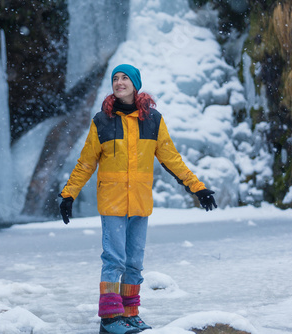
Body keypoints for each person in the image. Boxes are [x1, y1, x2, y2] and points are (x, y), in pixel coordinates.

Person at [59, 64, 217, 334]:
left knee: (134, 263)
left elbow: (171, 159)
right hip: (112, 202)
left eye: (125, 78)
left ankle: (130, 314)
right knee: (114, 260)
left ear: (135, 83)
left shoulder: (153, 120)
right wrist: (68, 194)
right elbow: (86, 164)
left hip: (140, 203)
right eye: (115, 79)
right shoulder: (102, 121)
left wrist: (198, 188)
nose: (119, 82)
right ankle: (110, 319)